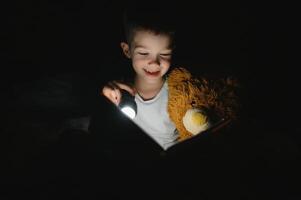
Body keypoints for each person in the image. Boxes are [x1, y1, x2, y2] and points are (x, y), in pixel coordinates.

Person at [102, 5, 178, 150]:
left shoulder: (178, 92)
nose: (155, 62)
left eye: (164, 54)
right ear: (127, 50)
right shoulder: (120, 89)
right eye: (144, 53)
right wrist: (106, 96)